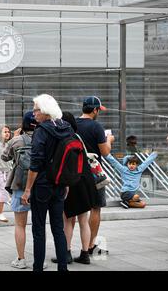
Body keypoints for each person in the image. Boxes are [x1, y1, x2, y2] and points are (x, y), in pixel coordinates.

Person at [21, 94, 72, 272]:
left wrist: (27, 190)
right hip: (59, 184)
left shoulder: (41, 131)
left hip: (42, 185)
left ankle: (38, 268)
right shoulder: (67, 128)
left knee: (39, 229)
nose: (33, 113)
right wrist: (65, 182)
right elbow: (68, 160)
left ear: (44, 111)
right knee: (58, 227)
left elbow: (35, 163)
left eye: (36, 109)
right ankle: (63, 267)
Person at [51, 111, 97, 265]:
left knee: (68, 220)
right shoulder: (78, 137)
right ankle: (85, 254)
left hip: (70, 183)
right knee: (83, 220)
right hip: (85, 182)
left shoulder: (62, 139)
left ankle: (66, 253)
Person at [75, 96, 114, 256]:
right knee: (95, 208)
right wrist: (109, 140)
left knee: (76, 211)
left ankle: (70, 249)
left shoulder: (73, 124)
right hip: (94, 173)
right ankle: (91, 244)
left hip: (76, 172)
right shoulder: (96, 126)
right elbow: (105, 152)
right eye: (99, 110)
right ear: (95, 110)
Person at [1, 112, 40, 269]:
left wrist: (13, 138)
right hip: (39, 186)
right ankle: (40, 259)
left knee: (20, 225)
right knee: (39, 226)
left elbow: (4, 157)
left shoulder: (16, 140)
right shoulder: (44, 139)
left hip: (20, 186)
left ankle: (21, 259)